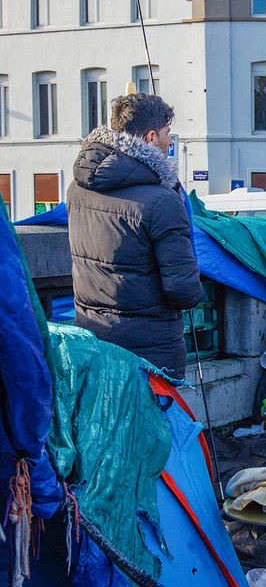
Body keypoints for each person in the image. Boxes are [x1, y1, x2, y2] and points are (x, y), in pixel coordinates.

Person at [67, 93, 203, 379]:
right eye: (168, 134)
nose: (170, 142)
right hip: (150, 351)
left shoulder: (77, 190)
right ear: (152, 137)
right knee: (155, 422)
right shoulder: (162, 201)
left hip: (93, 342)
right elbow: (183, 291)